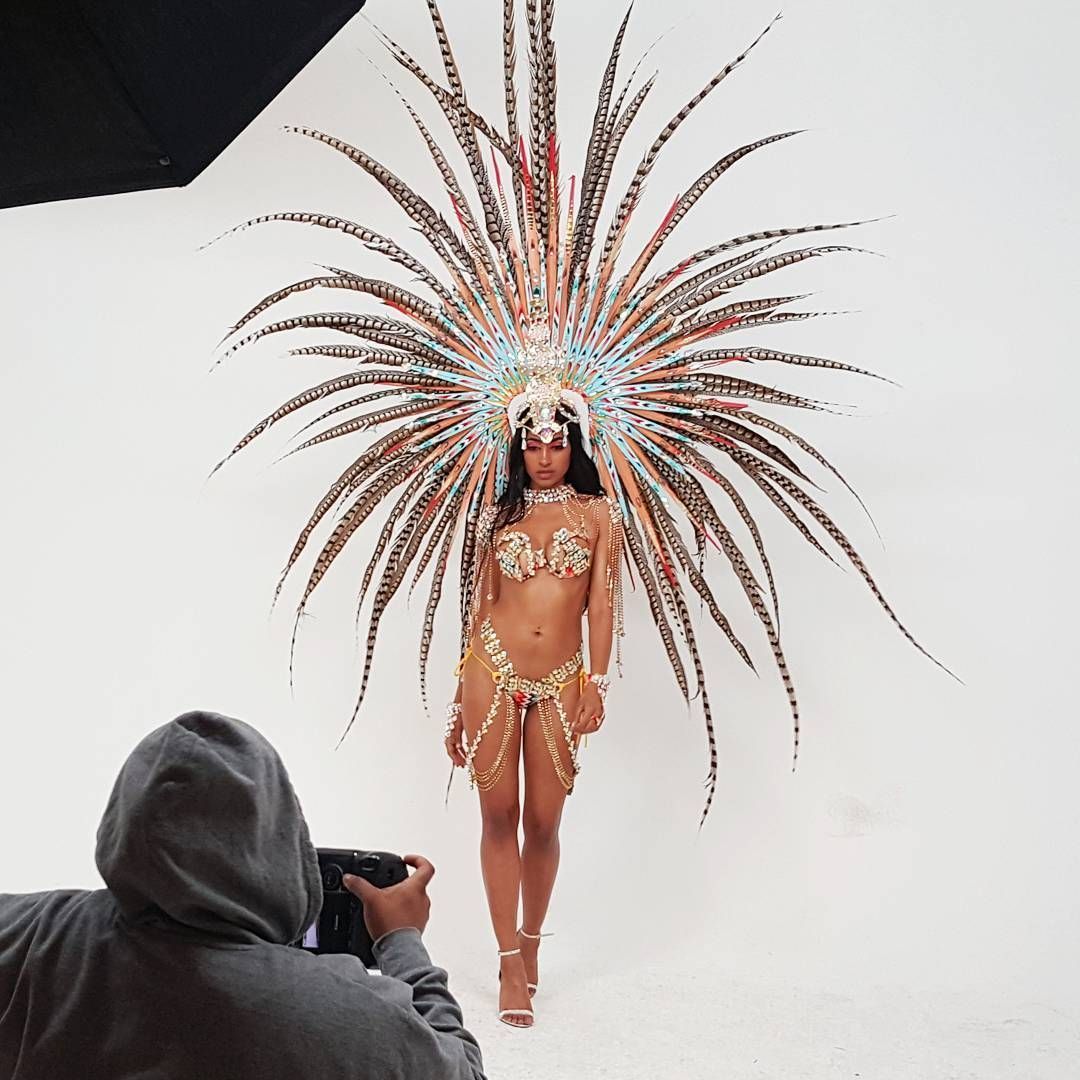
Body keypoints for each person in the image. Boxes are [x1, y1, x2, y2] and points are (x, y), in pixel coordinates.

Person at [0, 711, 486, 1080]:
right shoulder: (342, 1013)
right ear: (283, 838)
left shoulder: (37, 931)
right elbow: (463, 1070)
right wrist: (402, 940)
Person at [443, 399, 622, 1028]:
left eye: (556, 445)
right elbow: (479, 604)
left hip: (562, 679)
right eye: (533, 446)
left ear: (574, 447)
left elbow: (601, 606)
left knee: (543, 824)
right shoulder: (500, 513)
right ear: (518, 450)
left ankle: (534, 938)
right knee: (500, 816)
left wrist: (596, 681)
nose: (544, 458)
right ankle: (509, 961)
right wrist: (453, 705)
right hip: (488, 670)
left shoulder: (599, 514)